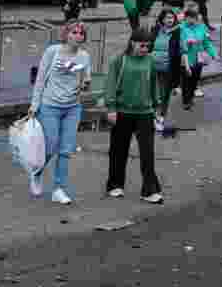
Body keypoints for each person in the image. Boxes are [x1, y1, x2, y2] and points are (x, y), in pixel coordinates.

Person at [28, 20, 92, 205]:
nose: (77, 36)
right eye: (74, 32)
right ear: (66, 35)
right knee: (50, 146)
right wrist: (34, 104)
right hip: (49, 105)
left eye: (81, 33)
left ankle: (59, 188)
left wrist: (85, 84)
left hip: (72, 107)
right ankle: (36, 173)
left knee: (65, 150)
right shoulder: (53, 51)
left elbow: (86, 79)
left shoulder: (84, 56)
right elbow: (40, 79)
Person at [104, 27, 163, 204]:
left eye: (148, 46)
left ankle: (149, 190)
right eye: (142, 45)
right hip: (122, 111)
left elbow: (154, 84)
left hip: (145, 113)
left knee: (147, 153)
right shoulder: (119, 60)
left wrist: (156, 107)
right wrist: (111, 108)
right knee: (118, 151)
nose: (145, 49)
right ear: (132, 43)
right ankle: (114, 185)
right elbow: (111, 84)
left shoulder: (150, 61)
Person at [179, 2, 217, 110]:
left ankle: (190, 97)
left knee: (194, 79)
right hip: (185, 59)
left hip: (198, 58)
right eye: (189, 18)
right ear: (185, 18)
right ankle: (186, 101)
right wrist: (186, 42)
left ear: (196, 18)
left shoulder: (201, 28)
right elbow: (179, 43)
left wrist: (213, 54)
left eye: (193, 18)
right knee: (186, 80)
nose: (191, 20)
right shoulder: (181, 28)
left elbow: (206, 43)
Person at [152, 8, 182, 132]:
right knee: (153, 93)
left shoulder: (178, 32)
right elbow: (149, 45)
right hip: (153, 66)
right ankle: (153, 116)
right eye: (167, 18)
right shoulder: (155, 30)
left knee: (164, 93)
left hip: (168, 67)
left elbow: (179, 51)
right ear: (162, 19)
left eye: (172, 18)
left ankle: (161, 116)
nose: (170, 20)